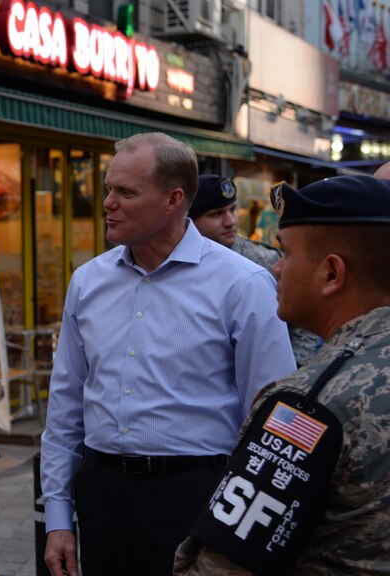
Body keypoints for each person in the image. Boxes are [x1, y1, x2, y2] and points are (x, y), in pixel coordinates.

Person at [40, 132, 296, 576]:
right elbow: (65, 407)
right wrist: (58, 520)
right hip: (103, 496)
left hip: (197, 498)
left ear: (173, 199)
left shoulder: (243, 284)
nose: (107, 203)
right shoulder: (87, 282)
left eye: (125, 192)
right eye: (108, 190)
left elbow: (273, 421)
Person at [175, 175, 390, 575]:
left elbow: (224, 565)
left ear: (331, 274)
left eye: (286, 253)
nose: (276, 267)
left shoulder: (309, 405)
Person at [190, 174, 321, 366]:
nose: (230, 221)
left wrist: (293, 370)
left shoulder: (264, 260)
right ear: (190, 220)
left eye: (232, 210)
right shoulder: (175, 263)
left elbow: (307, 318)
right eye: (217, 214)